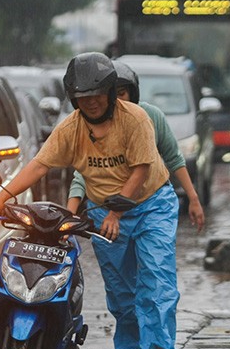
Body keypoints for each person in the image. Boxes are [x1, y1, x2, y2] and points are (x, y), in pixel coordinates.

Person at [0, 52, 182, 349]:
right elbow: (40, 165)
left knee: (156, 277)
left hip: (150, 204)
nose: (91, 103)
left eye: (98, 95)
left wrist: (117, 211)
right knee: (119, 287)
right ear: (74, 99)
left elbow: (142, 170)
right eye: (83, 97)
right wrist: (0, 197)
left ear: (112, 92)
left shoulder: (137, 119)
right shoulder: (70, 129)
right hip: (104, 211)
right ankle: (129, 348)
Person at [67, 60, 205, 233]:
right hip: (109, 208)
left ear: (133, 94)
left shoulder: (150, 116)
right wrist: (69, 217)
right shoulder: (90, 123)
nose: (116, 102)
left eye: (121, 94)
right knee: (114, 259)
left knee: (156, 258)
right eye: (109, 95)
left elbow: (173, 158)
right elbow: (82, 173)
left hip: (150, 205)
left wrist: (193, 198)